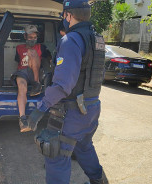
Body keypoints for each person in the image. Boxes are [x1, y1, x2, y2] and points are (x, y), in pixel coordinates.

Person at [23, 0, 106, 184]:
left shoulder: (71, 40)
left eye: (64, 15)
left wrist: (40, 108)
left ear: (68, 15)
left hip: (72, 112)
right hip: (92, 108)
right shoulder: (97, 39)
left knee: (56, 154)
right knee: (84, 146)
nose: (63, 19)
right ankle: (99, 180)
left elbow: (62, 85)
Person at [11, 25, 50, 132]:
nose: (32, 39)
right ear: (25, 36)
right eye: (30, 37)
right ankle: (22, 119)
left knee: (32, 52)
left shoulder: (41, 47)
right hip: (22, 73)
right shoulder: (19, 48)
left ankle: (37, 85)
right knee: (22, 88)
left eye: (34, 37)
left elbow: (49, 60)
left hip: (35, 73)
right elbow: (18, 62)